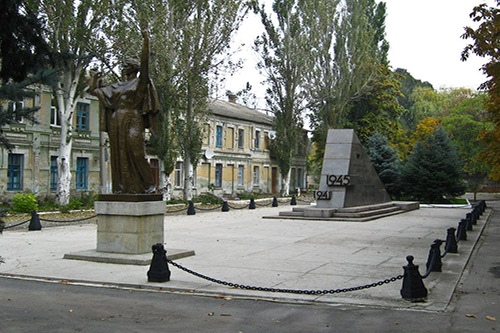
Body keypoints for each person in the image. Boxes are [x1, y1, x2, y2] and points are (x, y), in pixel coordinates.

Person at [90, 30, 158, 194]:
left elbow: (145, 64)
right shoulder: (116, 86)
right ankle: (122, 188)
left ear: (133, 68)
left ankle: (148, 185)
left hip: (133, 117)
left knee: (136, 152)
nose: (123, 68)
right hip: (116, 119)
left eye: (127, 65)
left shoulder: (139, 84)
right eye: (124, 65)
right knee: (119, 154)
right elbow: (95, 92)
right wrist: (94, 78)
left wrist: (146, 41)